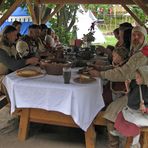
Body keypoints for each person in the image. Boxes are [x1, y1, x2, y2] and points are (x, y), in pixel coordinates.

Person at [89, 26, 148, 148]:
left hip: (141, 96)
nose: (136, 37)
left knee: (110, 111)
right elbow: (122, 66)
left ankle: (117, 145)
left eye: (139, 35)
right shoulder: (136, 51)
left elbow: (123, 73)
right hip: (135, 91)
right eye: (134, 35)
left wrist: (100, 74)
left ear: (145, 37)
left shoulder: (142, 54)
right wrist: (101, 69)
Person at [111, 65, 148, 148]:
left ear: (145, 78)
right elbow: (129, 94)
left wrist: (145, 108)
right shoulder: (135, 83)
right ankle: (120, 131)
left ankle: (135, 143)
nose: (136, 78)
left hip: (144, 115)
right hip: (133, 110)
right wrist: (128, 87)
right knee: (122, 114)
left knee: (135, 122)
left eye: (138, 77)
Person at [0, 25, 39, 92]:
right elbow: (13, 65)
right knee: (23, 86)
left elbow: (18, 60)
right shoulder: (1, 49)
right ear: (7, 35)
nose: (16, 37)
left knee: (32, 79)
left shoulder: (12, 46)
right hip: (2, 77)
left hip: (11, 75)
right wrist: (29, 61)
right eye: (14, 35)